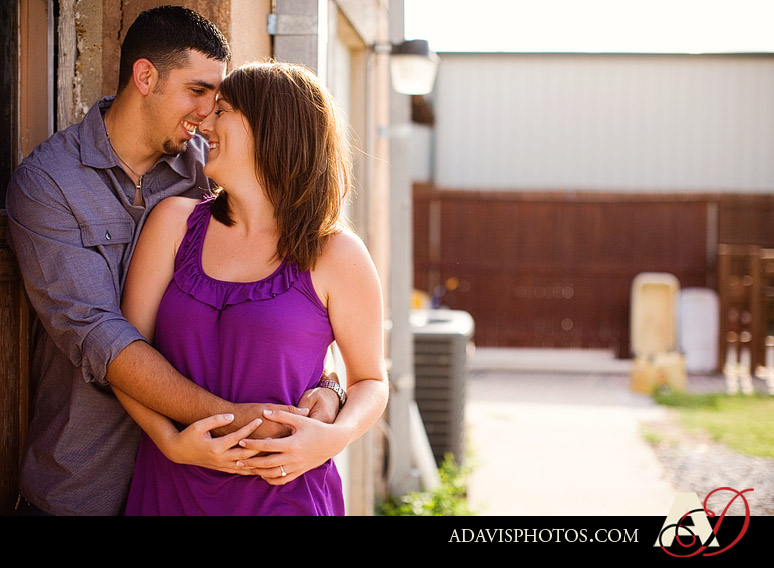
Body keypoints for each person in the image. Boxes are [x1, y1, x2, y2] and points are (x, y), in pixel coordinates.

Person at [6, 6, 339, 517]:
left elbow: (292, 294)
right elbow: (98, 335)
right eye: (198, 91)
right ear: (145, 77)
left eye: (218, 99)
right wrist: (235, 420)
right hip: (86, 481)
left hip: (204, 489)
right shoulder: (49, 184)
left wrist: (330, 386)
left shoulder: (213, 173)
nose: (208, 114)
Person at [116, 60, 389, 516]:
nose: (204, 120)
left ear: (270, 130)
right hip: (170, 488)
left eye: (222, 110)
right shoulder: (172, 224)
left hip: (285, 494)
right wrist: (170, 442)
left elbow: (371, 381)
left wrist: (332, 438)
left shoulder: (338, 254)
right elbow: (123, 354)